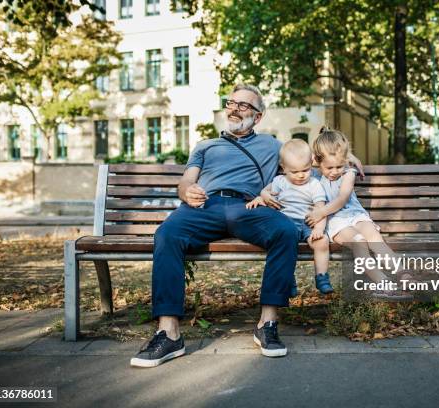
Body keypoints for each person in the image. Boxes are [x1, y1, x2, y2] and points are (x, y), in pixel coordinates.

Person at [131, 85, 364, 367]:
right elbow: (185, 181)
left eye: (243, 105)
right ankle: (168, 333)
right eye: (231, 103)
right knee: (167, 234)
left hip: (250, 207)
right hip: (206, 206)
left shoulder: (271, 145)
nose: (234, 108)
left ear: (258, 116)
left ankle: (267, 324)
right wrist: (186, 191)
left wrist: (346, 158)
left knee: (286, 231)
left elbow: (306, 160)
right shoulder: (205, 146)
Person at [305, 127, 412, 299]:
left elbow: (342, 198)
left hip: (356, 215)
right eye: (329, 167)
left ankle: (403, 273)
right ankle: (383, 283)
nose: (334, 172)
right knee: (359, 242)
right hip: (336, 222)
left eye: (339, 166)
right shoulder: (315, 176)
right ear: (318, 162)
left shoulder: (348, 173)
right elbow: (304, 159)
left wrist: (319, 212)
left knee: (374, 237)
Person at [246, 139, 334, 296]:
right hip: (286, 223)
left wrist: (319, 229)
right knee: (283, 244)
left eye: (305, 170)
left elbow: (320, 208)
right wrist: (260, 199)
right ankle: (288, 279)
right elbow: (267, 195)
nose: (301, 175)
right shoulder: (279, 182)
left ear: (311, 163)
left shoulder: (314, 184)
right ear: (283, 167)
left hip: (308, 221)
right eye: (294, 172)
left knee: (322, 242)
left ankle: (322, 277)